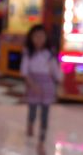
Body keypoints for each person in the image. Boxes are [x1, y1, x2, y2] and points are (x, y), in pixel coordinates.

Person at [20, 25, 62, 155]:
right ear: (31, 38)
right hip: (33, 85)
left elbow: (55, 71)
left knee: (45, 115)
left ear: (46, 38)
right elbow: (24, 71)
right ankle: (30, 124)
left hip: (47, 87)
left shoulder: (49, 54)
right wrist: (32, 85)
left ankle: (41, 142)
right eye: (36, 36)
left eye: (41, 36)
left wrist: (60, 83)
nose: (38, 39)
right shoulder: (28, 53)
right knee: (32, 110)